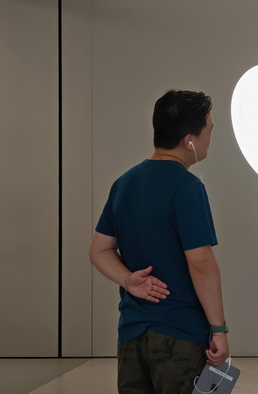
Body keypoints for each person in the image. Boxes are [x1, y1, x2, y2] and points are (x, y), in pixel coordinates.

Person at [89, 89, 229, 394]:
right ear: (190, 139)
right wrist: (219, 330)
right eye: (210, 130)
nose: (211, 138)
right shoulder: (188, 187)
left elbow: (99, 250)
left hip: (131, 335)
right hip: (180, 337)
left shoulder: (123, 184)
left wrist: (128, 280)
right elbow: (201, 264)